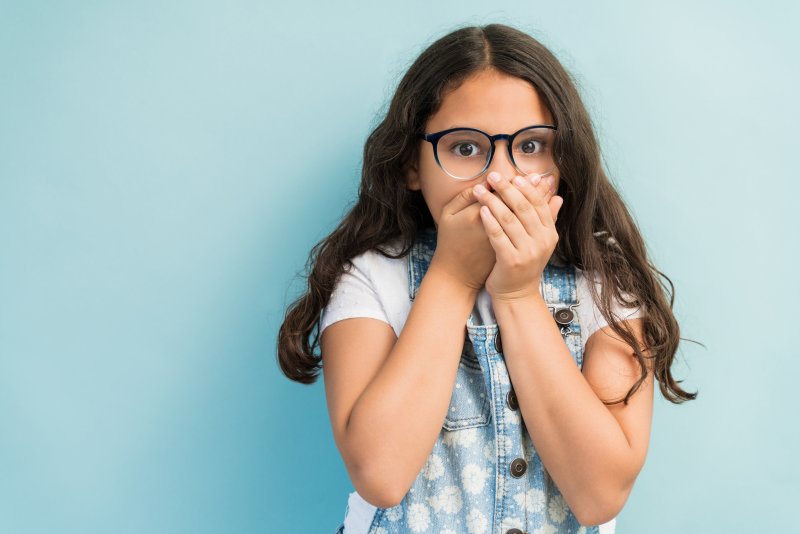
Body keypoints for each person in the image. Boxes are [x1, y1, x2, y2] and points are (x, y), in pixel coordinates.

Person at [277, 23, 697, 534]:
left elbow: (599, 496)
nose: (500, 177)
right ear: (413, 163)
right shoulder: (371, 277)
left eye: (531, 146)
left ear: (565, 158)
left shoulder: (604, 285)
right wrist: (453, 277)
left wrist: (518, 294)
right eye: (466, 149)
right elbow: (381, 476)